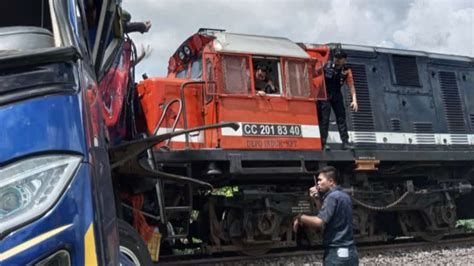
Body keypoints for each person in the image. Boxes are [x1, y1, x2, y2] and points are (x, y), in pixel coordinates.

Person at [293, 166, 359, 266]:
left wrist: (300, 217)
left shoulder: (332, 197)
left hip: (336, 255)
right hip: (351, 253)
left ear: (331, 181)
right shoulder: (344, 196)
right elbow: (327, 217)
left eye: (320, 180)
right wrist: (316, 199)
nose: (318, 183)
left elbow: (320, 222)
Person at [318, 46, 358, 150]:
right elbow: (315, 75)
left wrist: (354, 100)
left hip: (336, 94)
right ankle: (323, 142)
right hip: (324, 94)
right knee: (324, 119)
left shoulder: (347, 70)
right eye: (336, 57)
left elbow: (351, 85)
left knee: (341, 118)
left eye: (339, 58)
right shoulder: (326, 65)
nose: (336, 59)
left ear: (344, 60)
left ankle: (345, 142)